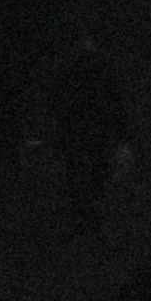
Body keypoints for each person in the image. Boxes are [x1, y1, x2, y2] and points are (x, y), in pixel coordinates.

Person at [48, 34, 130, 231]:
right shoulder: (83, 75)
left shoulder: (81, 75)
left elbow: (114, 104)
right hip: (85, 131)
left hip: (90, 131)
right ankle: (87, 212)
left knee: (89, 172)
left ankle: (88, 212)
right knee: (84, 172)